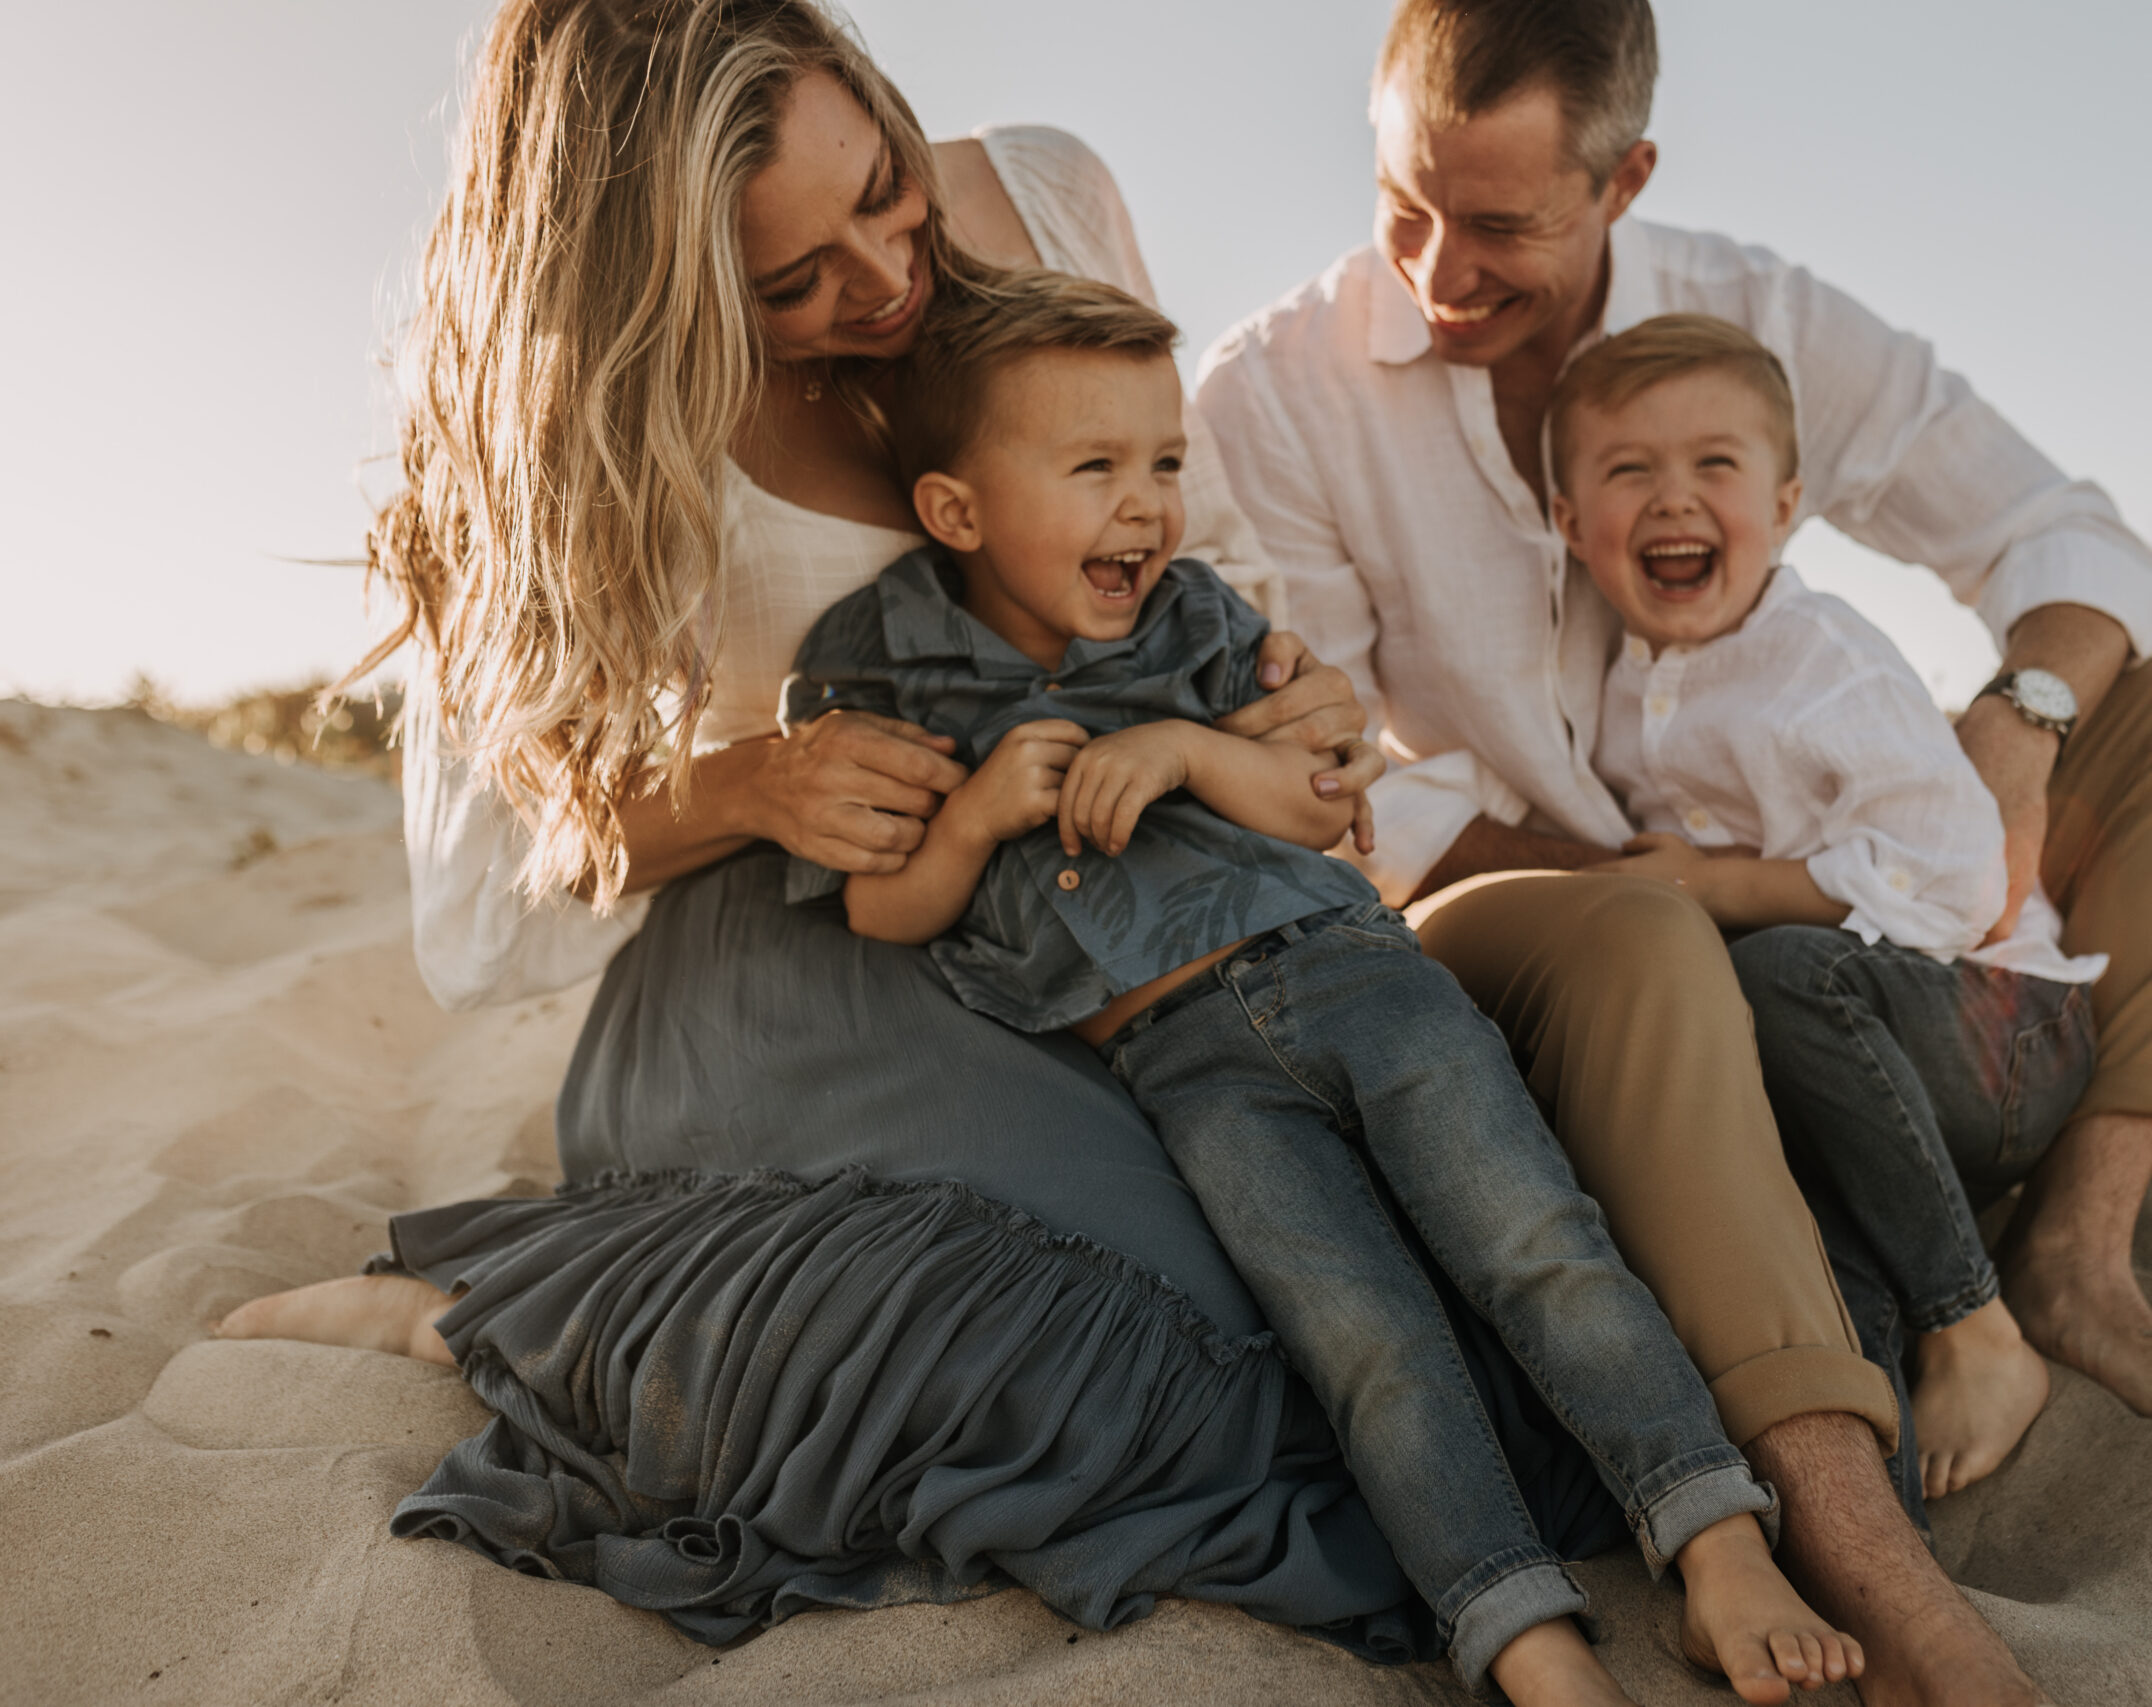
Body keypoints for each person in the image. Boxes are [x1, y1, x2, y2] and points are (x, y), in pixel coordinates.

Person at [214, 0, 1438, 1653]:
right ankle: (523, 1307)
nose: (883, 279)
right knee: (1181, 1361)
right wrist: (739, 782)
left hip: (1103, 914)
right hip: (795, 967)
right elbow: (486, 903)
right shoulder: (558, 405)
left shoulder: (1049, 193)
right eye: (790, 281)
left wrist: (1282, 701)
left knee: (1386, 1318)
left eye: (881, 187)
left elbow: (1183, 544)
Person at [1196, 0, 2152, 1694]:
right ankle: (1864, 1536)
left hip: (1824, 901)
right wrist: (1648, 884)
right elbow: (1340, 784)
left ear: (1626, 178)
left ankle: (2077, 1251)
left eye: (1500, 226)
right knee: (1655, 943)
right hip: (1515, 902)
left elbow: (2063, 534)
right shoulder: (1280, 393)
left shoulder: (1760, 318)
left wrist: (2013, 724)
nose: (1436, 270)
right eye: (1403, 204)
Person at [779, 267, 1861, 1707]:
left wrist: (1181, 752)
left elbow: (1319, 796)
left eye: (1163, 462)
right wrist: (975, 817)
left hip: (1350, 971)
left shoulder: (1194, 621)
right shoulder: (878, 664)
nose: (1145, 506)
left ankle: (1716, 1538)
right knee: (1365, 1336)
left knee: (1538, 1237)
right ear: (958, 510)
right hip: (1180, 1060)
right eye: (1093, 467)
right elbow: (879, 903)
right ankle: (1522, 1629)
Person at [1549, 313, 2106, 1502]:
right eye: (1628, 470)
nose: (1673, 500)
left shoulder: (1823, 661)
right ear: (1567, 524)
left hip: (2001, 1029)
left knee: (1778, 974)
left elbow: (1961, 881)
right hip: (1851, 1076)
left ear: (1788, 501)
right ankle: (1869, 1486)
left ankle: (1977, 1328)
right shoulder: (1610, 686)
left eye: (1715, 466)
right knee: (1788, 1211)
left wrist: (1715, 885)